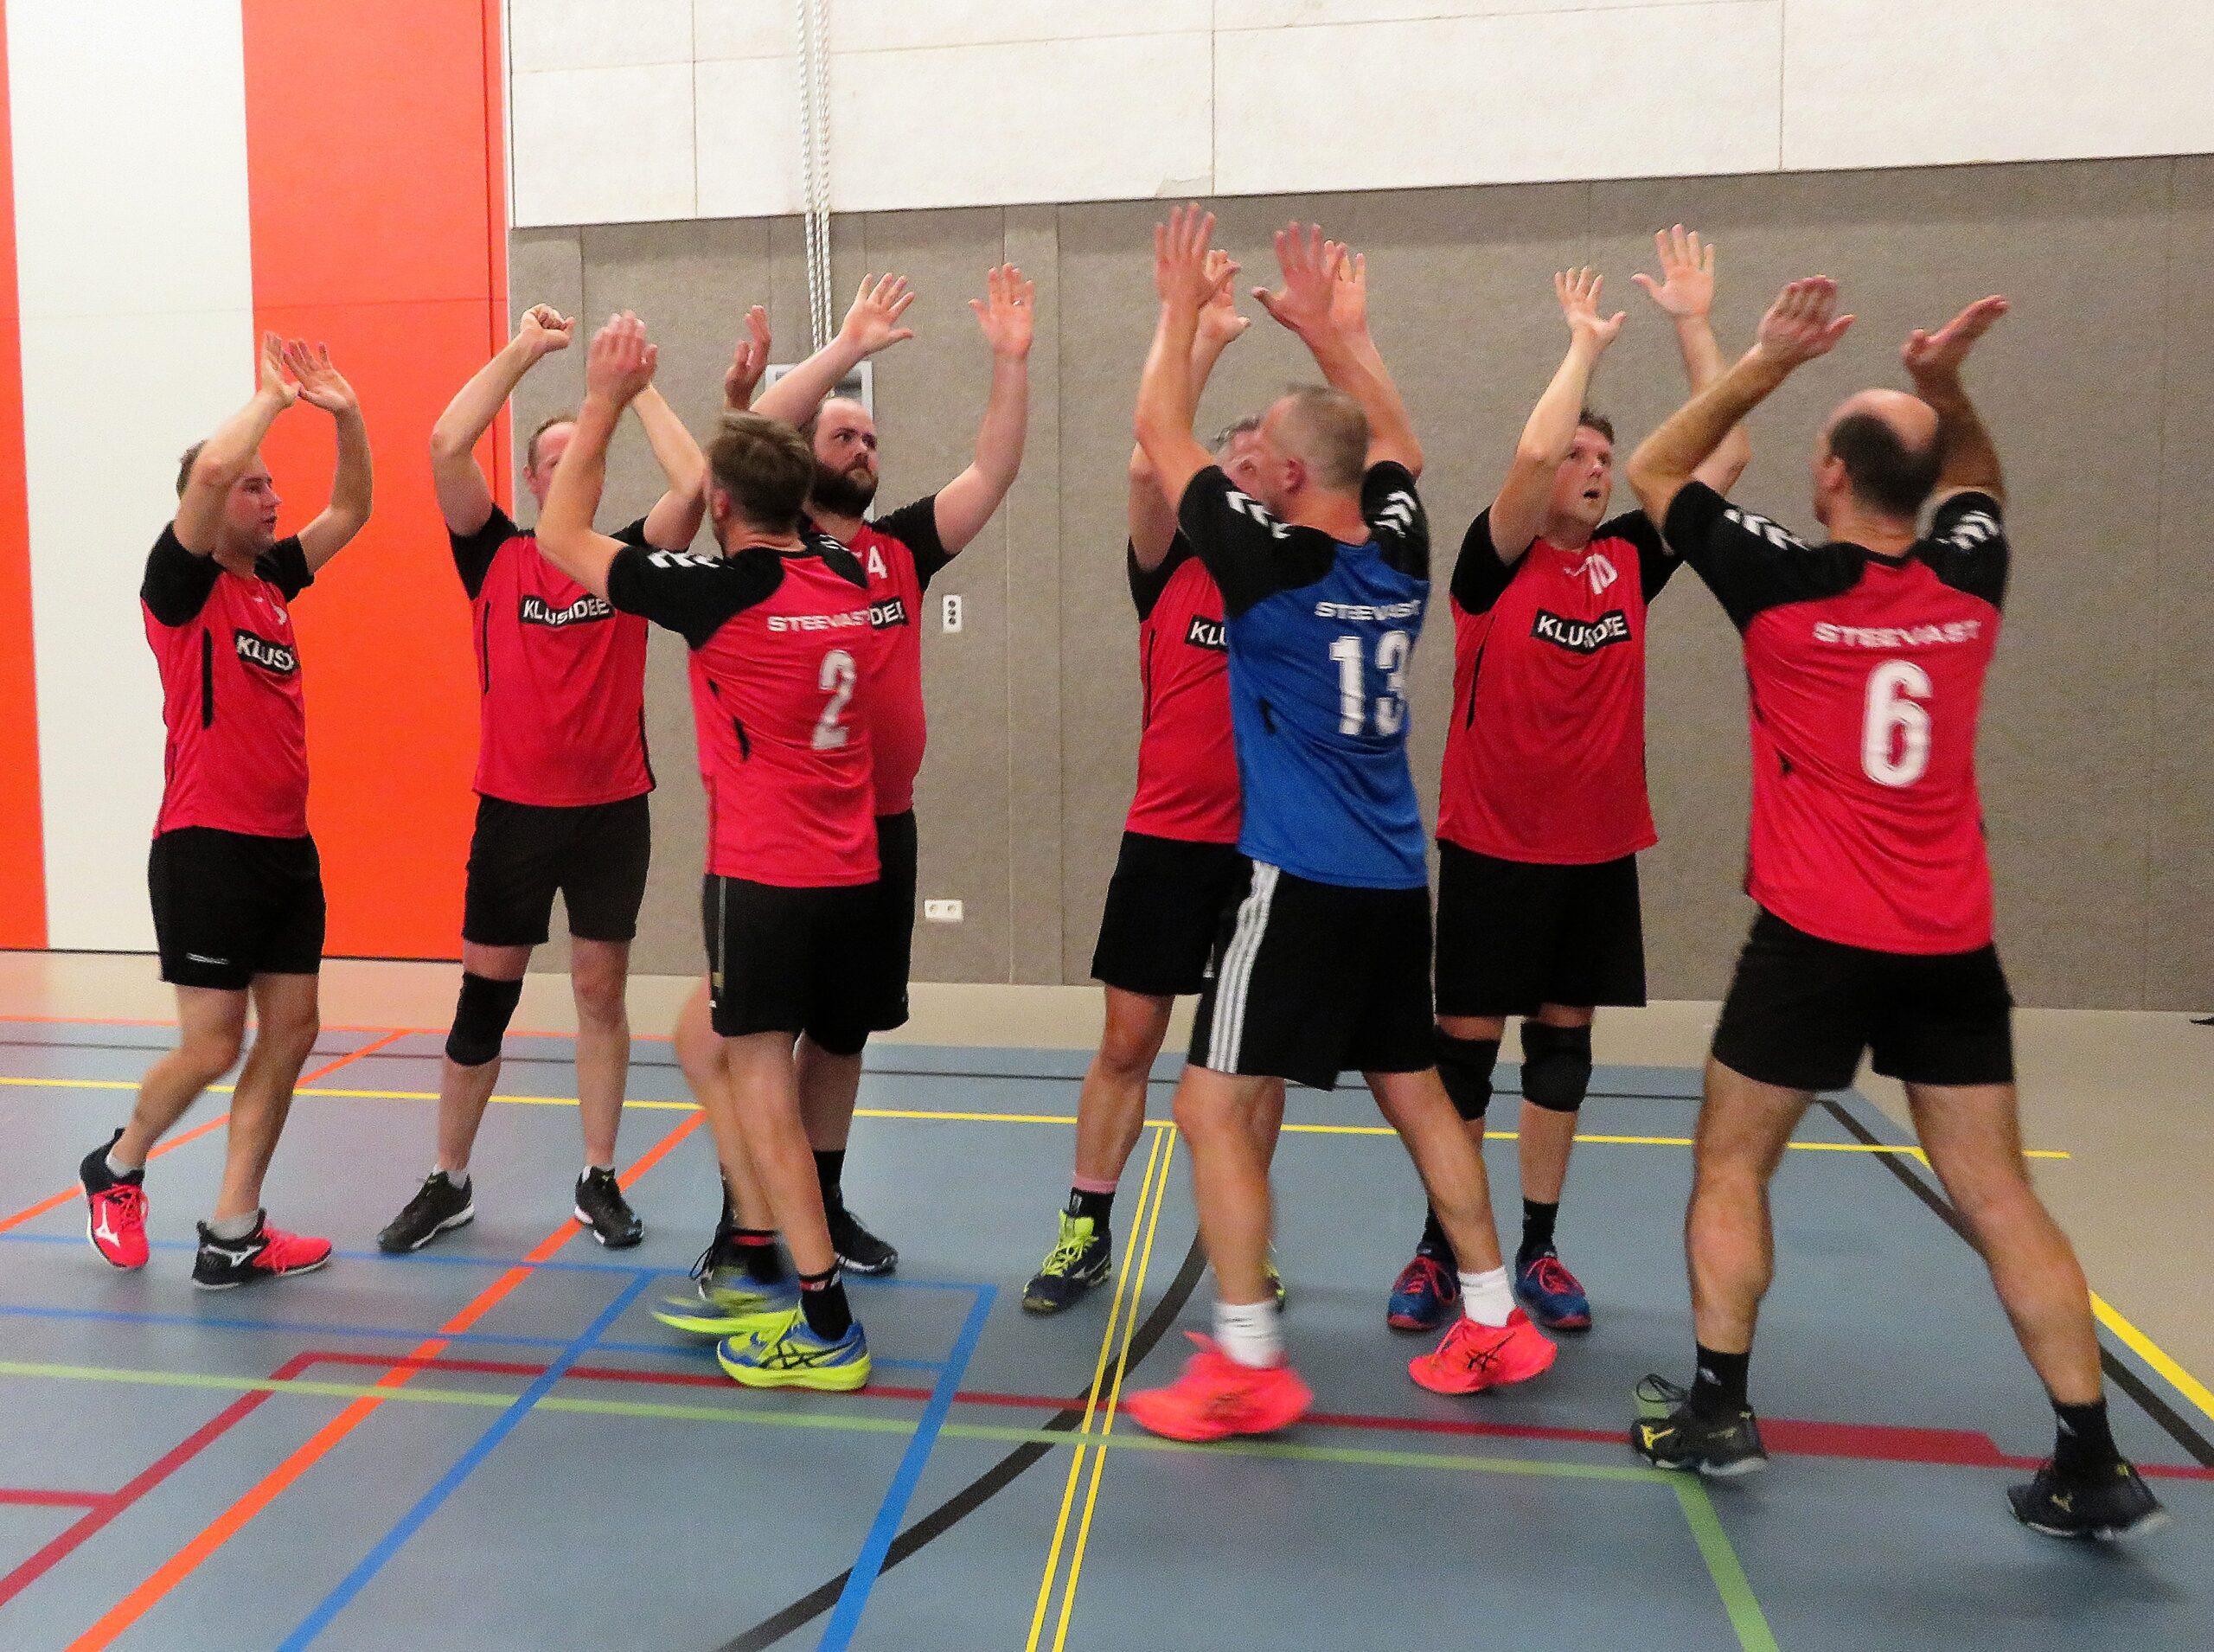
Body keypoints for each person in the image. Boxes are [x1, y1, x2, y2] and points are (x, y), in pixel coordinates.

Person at [1621, 278, 2165, 1540]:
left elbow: (1655, 467)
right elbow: (1981, 485)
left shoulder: (1779, 583)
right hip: (1950, 945)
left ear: (1827, 474)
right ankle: (2090, 1459)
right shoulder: (1971, 576)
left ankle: (1719, 1408)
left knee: (1731, 1160)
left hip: (1812, 939)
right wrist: (1945, 386)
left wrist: (1764, 361)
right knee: (1999, 1194)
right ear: (1921, 489)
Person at [1122, 211, 1557, 1444]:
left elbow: (1158, 431)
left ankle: (1247, 1360)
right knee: (1418, 1095)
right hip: (1390, 877)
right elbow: (1397, 444)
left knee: (1210, 1109)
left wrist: (1175, 312)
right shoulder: (1399, 549)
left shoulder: (1267, 564)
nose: (1243, 466)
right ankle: (1494, 1313)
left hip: (1298, 877)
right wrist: (1339, 335)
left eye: (1260, 453)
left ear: (1290, 482)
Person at [1392, 230, 1749, 1335]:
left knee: (1561, 1055)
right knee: (1462, 1062)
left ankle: (1539, 1247)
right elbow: (1533, 446)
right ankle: (1442, 1248)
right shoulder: (1492, 561)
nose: (1595, 469)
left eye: (1607, 459)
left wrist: (1695, 324)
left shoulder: (1629, 560)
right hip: (1492, 849)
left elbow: (1724, 454)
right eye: (1581, 457)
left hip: (1594, 854)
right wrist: (1583, 347)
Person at [537, 311, 890, 1391]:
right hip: (852, 872)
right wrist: (670, 404)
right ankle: (748, 1245)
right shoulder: (844, 570)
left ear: (723, 508)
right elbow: (730, 475)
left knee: (759, 1079)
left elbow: (560, 533)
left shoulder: (716, 598)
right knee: (702, 1036)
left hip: (764, 878)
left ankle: (819, 1314)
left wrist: (605, 397)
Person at [376, 302, 750, 1254]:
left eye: (586, 446)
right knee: (485, 1001)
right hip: (513, 813)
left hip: (612, 812)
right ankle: (448, 1178)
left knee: (599, 992)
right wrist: (526, 349)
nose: (575, 455)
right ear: (537, 480)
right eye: (556, 450)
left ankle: (598, 1175)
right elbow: (445, 443)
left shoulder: (620, 563)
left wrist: (632, 391)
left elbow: (697, 484)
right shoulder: (494, 554)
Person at [720, 266, 1034, 1277]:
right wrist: (847, 349)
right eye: (842, 435)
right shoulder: (767, 553)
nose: (862, 448)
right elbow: (749, 435)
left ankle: (824, 1200)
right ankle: (746, 1222)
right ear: (802, 456)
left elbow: (992, 470)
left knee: (844, 1032)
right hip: (786, 838)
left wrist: (1011, 363)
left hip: (881, 831)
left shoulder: (899, 551)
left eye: (870, 439)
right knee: (762, 1039)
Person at [1025, 253, 1288, 1316]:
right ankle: (1084, 1225)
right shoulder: (1170, 567)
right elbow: (1146, 464)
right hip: (1167, 840)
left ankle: (1243, 1240)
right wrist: (1198, 335)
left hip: (1268, 849)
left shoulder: (1296, 575)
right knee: (1127, 1043)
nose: (1242, 477)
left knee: (1250, 1063)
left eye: (1261, 465)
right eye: (1227, 463)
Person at [80, 334, 371, 1287]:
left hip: (286, 849)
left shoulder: (272, 582)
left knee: (292, 1032)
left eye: (271, 485)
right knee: (212, 1043)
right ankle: (118, 1165)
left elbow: (353, 509)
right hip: (205, 843)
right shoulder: (182, 586)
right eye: (255, 486)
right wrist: (274, 397)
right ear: (209, 507)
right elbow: (208, 468)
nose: (271, 497)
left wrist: (346, 413)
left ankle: (234, 1229)